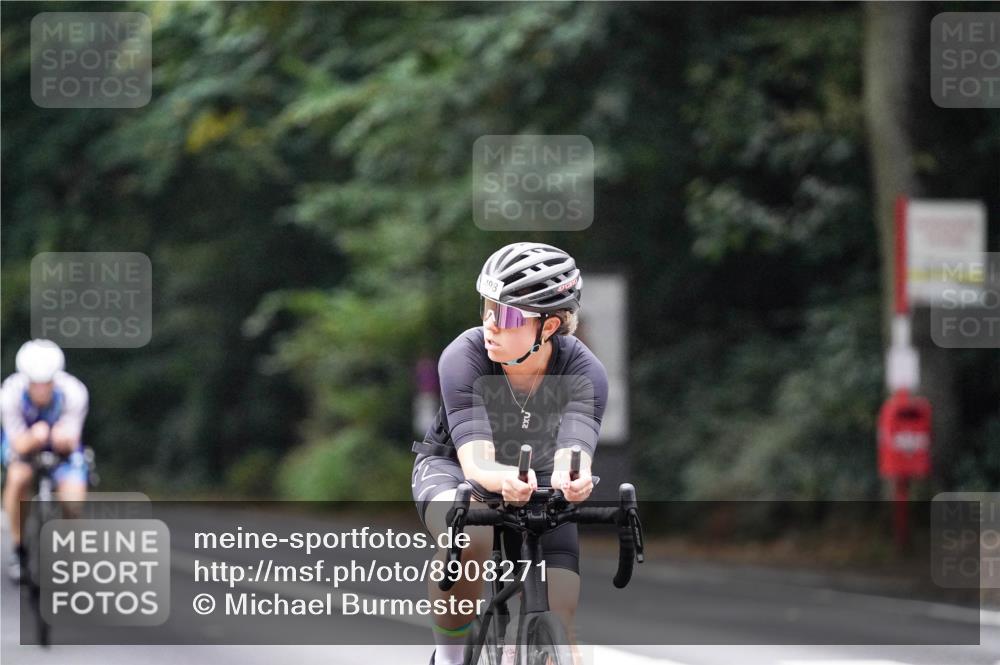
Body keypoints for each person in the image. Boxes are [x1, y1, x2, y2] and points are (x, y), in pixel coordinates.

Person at [411, 242, 608, 665]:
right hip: (452, 468)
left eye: (507, 314)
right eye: (487, 307)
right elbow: (477, 462)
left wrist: (571, 479)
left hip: (535, 480)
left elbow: (575, 450)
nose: (490, 324)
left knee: (561, 609)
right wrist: (502, 481)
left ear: (550, 326)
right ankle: (449, 657)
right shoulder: (463, 357)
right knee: (472, 536)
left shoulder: (584, 371)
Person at [1, 339, 90, 582]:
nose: (41, 389)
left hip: (62, 447)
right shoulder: (9, 393)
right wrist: (34, 437)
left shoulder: (74, 391)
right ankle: (19, 549)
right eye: (35, 384)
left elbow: (72, 438)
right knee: (19, 477)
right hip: (24, 443)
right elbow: (16, 443)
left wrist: (64, 439)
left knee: (73, 499)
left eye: (46, 383)